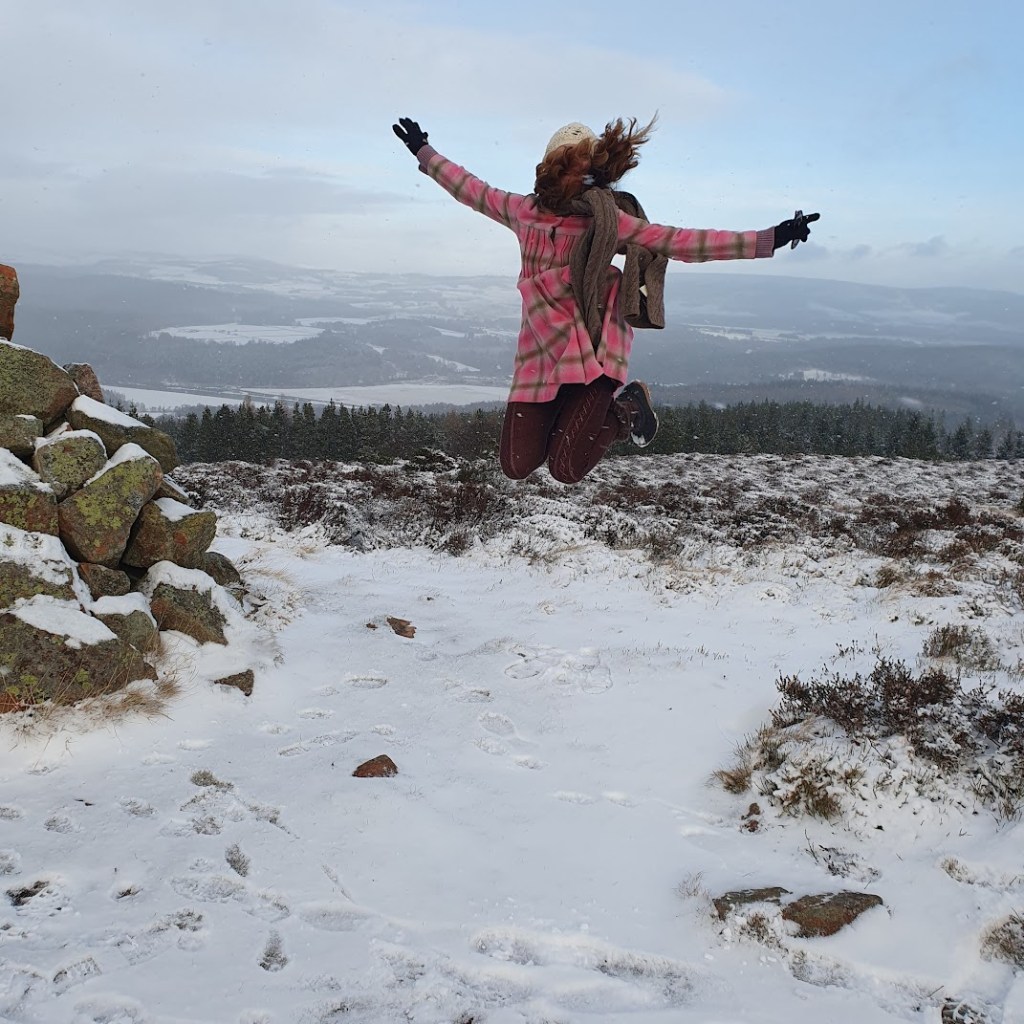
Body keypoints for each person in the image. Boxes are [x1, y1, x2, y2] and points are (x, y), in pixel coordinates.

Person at [392, 116, 818, 484]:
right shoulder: (523, 212)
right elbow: (471, 190)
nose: (580, 175)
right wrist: (424, 151)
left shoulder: (609, 222)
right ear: (552, 167)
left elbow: (681, 242)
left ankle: (626, 410)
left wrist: (771, 238)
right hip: (539, 353)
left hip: (592, 351)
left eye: (586, 167)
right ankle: (580, 414)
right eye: (571, 164)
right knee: (516, 465)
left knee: (566, 468)